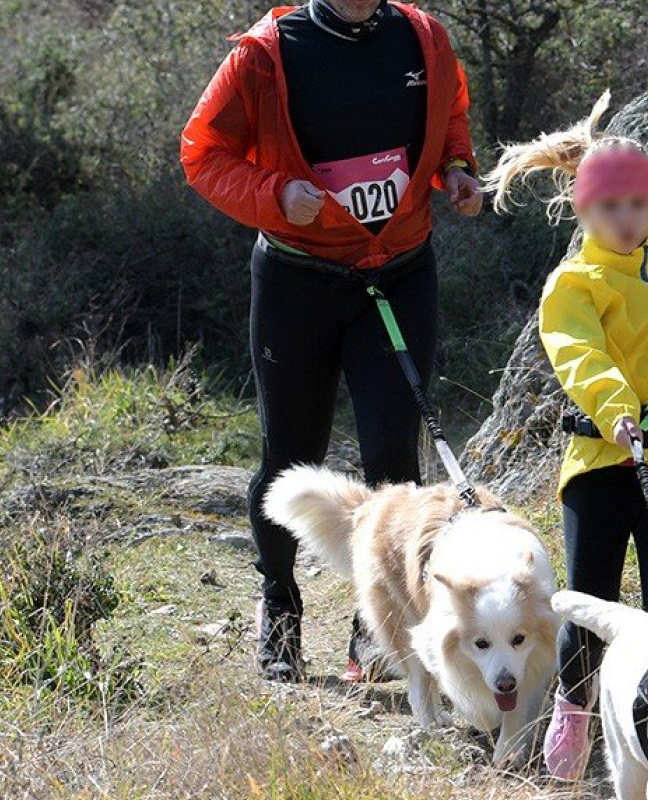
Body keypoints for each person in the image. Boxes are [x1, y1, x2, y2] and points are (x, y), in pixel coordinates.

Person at [180, 0, 482, 683]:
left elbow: (448, 115)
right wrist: (274, 193)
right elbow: (202, 152)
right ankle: (279, 607)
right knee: (290, 456)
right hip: (298, 280)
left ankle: (373, 629)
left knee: (391, 461)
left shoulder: (424, 37)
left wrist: (456, 167)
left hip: (398, 273)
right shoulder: (265, 52)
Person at [481, 95, 648, 779]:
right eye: (609, 208)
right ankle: (574, 712)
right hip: (602, 458)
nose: (626, 220)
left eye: (637, 205)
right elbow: (582, 358)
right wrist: (617, 407)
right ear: (583, 210)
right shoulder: (573, 282)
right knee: (590, 603)